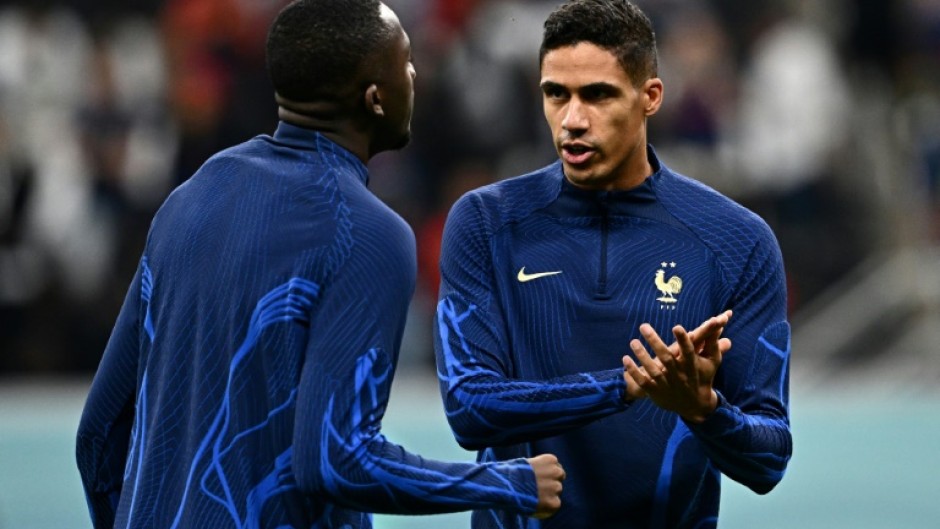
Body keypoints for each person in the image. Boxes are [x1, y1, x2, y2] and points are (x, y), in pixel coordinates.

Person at [74, 1, 567, 528]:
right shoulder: (369, 234)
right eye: (405, 62)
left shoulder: (189, 198)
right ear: (375, 98)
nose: (416, 75)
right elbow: (336, 460)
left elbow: (98, 435)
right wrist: (503, 482)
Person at [433, 1, 793, 528]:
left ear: (650, 97)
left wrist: (703, 409)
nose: (573, 120)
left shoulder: (737, 240)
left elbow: (770, 459)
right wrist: (625, 386)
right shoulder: (486, 223)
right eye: (556, 94)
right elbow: (469, 409)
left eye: (597, 95)